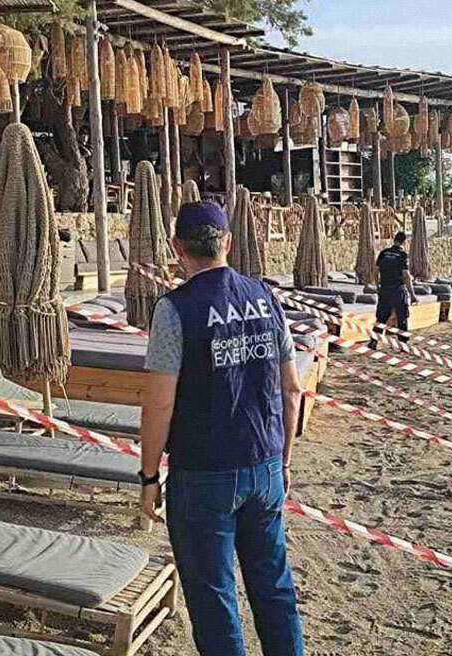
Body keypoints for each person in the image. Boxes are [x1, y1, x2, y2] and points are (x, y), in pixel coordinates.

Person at [139, 201, 305, 656]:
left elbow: (159, 403)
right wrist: (284, 459)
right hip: (265, 462)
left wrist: (149, 477)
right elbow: (292, 389)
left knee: (214, 603)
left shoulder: (174, 310)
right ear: (227, 243)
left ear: (178, 248)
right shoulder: (266, 297)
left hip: (203, 474)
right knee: (274, 588)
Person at [368, 231, 418, 350]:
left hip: (385, 288)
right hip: (397, 289)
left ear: (394, 240)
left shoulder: (384, 253)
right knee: (402, 318)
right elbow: (405, 275)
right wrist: (412, 295)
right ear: (404, 242)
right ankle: (403, 344)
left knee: (381, 318)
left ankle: (374, 342)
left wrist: (377, 286)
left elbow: (375, 271)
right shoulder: (402, 255)